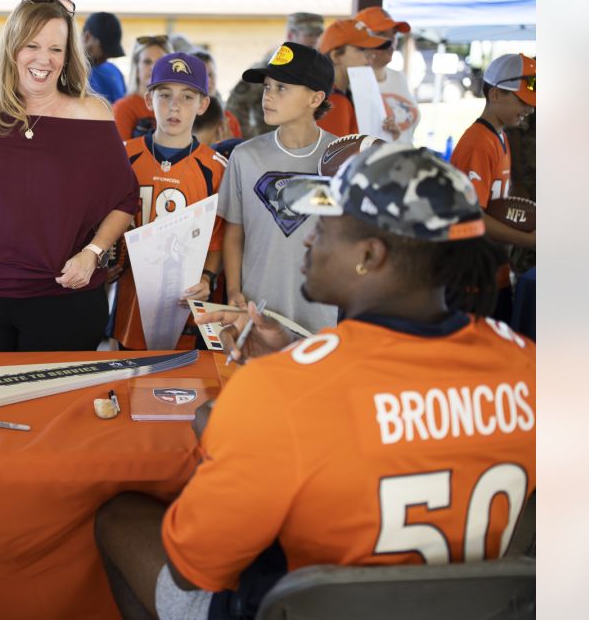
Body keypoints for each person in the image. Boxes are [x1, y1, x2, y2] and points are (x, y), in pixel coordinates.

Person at [96, 145, 534, 620]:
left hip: (298, 609)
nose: (308, 241)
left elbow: (192, 567)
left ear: (369, 254)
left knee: (118, 517)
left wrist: (218, 441)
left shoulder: (277, 393)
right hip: (470, 609)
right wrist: (292, 359)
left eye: (323, 227)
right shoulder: (531, 369)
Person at [0, 0, 140, 351]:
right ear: (13, 48)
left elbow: (125, 199)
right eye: (32, 45)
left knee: (60, 407)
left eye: (56, 49)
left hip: (67, 298)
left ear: (68, 56)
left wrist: (93, 252)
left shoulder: (93, 116)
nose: (44, 59)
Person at [218, 42, 339, 334]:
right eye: (267, 87)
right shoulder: (245, 156)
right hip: (257, 311)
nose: (268, 96)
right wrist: (234, 290)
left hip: (322, 314)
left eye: (281, 88)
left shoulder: (342, 158)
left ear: (315, 98)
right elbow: (235, 231)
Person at [112, 52, 228, 350]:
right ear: (148, 100)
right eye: (165, 95)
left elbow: (218, 239)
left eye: (188, 97)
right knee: (129, 386)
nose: (175, 106)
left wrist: (207, 277)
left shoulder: (215, 169)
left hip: (186, 304)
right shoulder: (122, 156)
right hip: (130, 301)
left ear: (204, 104)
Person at [449, 53, 537, 320]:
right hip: (471, 278)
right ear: (496, 94)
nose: (529, 109)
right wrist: (531, 240)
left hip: (491, 270)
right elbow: (471, 216)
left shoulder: (500, 136)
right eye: (523, 101)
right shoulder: (478, 143)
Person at [226, 12, 325, 139]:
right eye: (310, 34)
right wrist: (250, 137)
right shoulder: (269, 67)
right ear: (291, 35)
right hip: (270, 146)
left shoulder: (320, 68)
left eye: (319, 34)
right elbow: (235, 105)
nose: (316, 40)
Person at [356, 6, 420, 144]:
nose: (391, 40)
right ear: (360, 40)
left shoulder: (399, 78)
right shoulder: (352, 84)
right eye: (382, 33)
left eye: (394, 33)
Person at [315, 18, 385, 138]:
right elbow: (336, 155)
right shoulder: (332, 102)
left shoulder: (341, 94)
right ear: (336, 56)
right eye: (362, 49)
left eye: (370, 51)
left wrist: (385, 133)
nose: (370, 58)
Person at [113, 35, 173, 140]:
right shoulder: (123, 108)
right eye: (147, 62)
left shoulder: (179, 106)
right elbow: (118, 154)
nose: (154, 68)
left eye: (160, 62)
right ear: (136, 68)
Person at [82, 11, 128, 104]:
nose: (106, 57)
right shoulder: (65, 73)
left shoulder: (114, 72)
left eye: (110, 52)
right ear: (87, 37)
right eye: (104, 49)